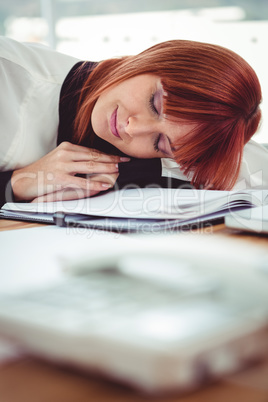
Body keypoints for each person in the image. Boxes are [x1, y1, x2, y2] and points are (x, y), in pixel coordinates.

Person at [0, 35, 267, 208]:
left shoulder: (161, 153)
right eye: (155, 103)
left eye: (160, 142)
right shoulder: (9, 75)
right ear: (157, 57)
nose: (132, 128)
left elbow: (254, 166)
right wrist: (15, 183)